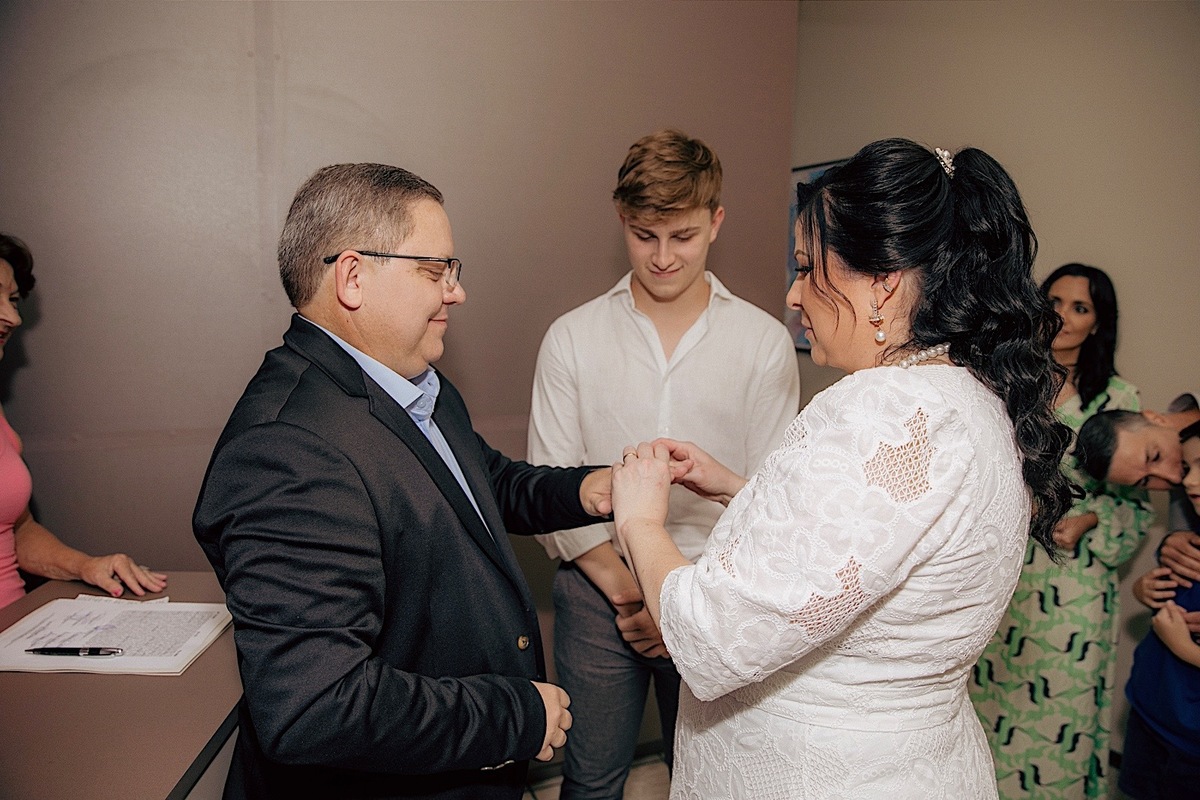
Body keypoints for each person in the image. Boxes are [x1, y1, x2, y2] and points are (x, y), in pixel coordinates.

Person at [607, 138, 1073, 799]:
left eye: (806, 267)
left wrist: (641, 520)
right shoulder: (973, 398)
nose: (795, 295)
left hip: (817, 774)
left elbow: (714, 636)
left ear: (882, 283)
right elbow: (876, 543)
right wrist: (740, 490)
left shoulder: (882, 407)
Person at [191, 164, 613, 800]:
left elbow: (481, 486)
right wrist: (513, 718)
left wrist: (590, 489)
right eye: (434, 270)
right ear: (354, 276)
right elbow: (314, 706)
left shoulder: (412, 383)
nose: (456, 292)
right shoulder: (288, 450)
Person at [528, 129, 800, 798]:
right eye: (645, 235)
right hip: (599, 590)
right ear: (624, 220)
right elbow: (547, 488)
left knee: (709, 780)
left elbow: (770, 496)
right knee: (590, 779)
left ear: (716, 221)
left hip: (721, 590)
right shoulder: (572, 337)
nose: (663, 256)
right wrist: (636, 593)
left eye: (682, 236)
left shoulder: (764, 343)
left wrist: (680, 603)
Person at [969, 263, 1153, 799]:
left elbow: (1136, 507)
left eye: (1081, 308)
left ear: (1099, 323)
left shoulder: (1118, 401)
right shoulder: (1007, 382)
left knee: (1057, 720)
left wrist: (1092, 517)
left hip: (1072, 587)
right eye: (1054, 302)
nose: (1064, 318)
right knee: (986, 711)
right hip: (1002, 578)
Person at [0, 232, 165, 610]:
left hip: (16, 635)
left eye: (11, 300)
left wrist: (86, 566)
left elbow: (16, 530)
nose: (12, 317)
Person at [1118, 420, 1200, 799]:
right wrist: (1144, 587)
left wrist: (1183, 647)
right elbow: (1161, 589)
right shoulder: (1187, 542)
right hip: (1151, 710)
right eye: (1189, 467)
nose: (1190, 482)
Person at [1077, 394, 1200, 593]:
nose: (1174, 478)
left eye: (1155, 456)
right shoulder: (1185, 491)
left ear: (1155, 419)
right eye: (1145, 481)